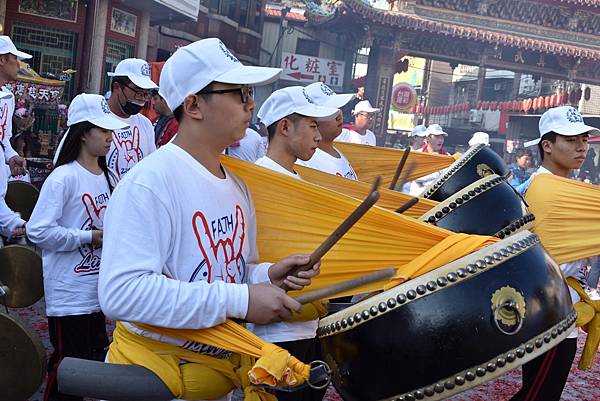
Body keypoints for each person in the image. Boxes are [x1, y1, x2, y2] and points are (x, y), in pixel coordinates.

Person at [98, 38, 320, 401]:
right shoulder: (151, 182)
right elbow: (122, 293)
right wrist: (240, 299)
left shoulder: (237, 185)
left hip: (218, 374)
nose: (251, 104)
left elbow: (235, 270)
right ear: (194, 104)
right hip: (157, 380)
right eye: (238, 92)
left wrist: (268, 275)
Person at [27, 93, 128, 401]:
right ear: (84, 133)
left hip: (99, 292)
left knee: (92, 366)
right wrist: (87, 238)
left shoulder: (110, 177)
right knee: (67, 368)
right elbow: (38, 231)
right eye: (104, 131)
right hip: (69, 294)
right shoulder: (63, 178)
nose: (110, 138)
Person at [253, 84, 338, 401]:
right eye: (313, 125)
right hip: (273, 333)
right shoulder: (256, 181)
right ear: (285, 127)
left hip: (311, 325)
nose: (318, 136)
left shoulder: (302, 181)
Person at [512, 105, 599, 401]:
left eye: (584, 139)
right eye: (571, 140)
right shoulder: (543, 190)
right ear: (547, 146)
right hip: (549, 313)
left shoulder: (567, 190)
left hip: (562, 310)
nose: (581, 147)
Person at [105, 58, 158, 181]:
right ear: (117, 87)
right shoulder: (94, 122)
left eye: (146, 94)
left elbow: (150, 167)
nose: (142, 99)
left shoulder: (145, 124)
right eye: (138, 92)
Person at [0, 35, 32, 237]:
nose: (19, 64)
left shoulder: (8, 98)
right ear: (2, 59)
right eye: (15, 58)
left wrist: (11, 156)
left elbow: (4, 139)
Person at [296, 82, 357, 180]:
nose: (339, 116)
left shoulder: (337, 153)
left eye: (339, 108)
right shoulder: (305, 162)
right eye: (330, 112)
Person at [407, 124, 449, 195]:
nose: (440, 140)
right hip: (415, 197)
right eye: (437, 137)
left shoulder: (448, 157)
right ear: (428, 138)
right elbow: (412, 176)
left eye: (442, 137)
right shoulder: (417, 155)